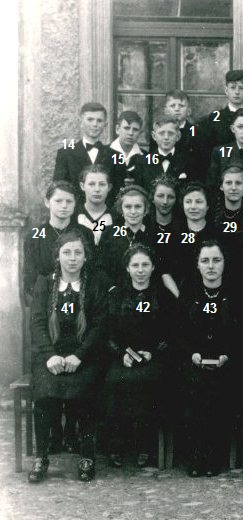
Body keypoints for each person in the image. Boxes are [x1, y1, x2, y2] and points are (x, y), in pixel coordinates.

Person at [28, 231, 109, 483]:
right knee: (43, 395)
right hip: (50, 355)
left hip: (84, 356)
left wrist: (78, 356)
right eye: (67, 253)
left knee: (84, 395)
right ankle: (41, 457)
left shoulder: (95, 283)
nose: (72, 258)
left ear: (85, 257)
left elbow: (99, 326)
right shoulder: (45, 283)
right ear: (57, 256)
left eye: (78, 253)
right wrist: (50, 356)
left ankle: (87, 457)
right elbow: (38, 324)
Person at [103, 244, 178, 469]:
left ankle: (146, 445)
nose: (140, 270)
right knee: (114, 381)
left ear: (153, 267)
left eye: (145, 265)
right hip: (123, 356)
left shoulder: (163, 296)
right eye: (135, 265)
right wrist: (122, 353)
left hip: (154, 356)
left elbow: (171, 333)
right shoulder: (116, 295)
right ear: (127, 268)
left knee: (149, 382)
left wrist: (152, 352)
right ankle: (117, 443)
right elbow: (108, 334)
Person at [178, 240, 241, 477]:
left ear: (224, 263)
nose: (211, 266)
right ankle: (196, 452)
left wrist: (227, 353)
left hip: (227, 360)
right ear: (197, 264)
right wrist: (191, 353)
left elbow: (242, 332)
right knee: (194, 386)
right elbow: (179, 332)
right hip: (193, 358)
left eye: (216, 260)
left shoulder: (236, 292)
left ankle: (215, 453)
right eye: (205, 261)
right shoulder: (189, 291)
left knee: (221, 388)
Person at [24, 182, 95, 303]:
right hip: (46, 300)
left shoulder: (85, 233)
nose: (64, 206)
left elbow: (91, 269)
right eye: (58, 201)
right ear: (47, 202)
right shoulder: (36, 235)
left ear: (75, 204)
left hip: (80, 299)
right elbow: (30, 276)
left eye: (69, 201)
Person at [161, 182, 219, 295]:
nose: (193, 207)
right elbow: (164, 271)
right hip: (178, 296)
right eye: (188, 202)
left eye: (199, 202)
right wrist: (179, 297)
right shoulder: (171, 234)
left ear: (207, 206)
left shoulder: (217, 234)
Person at [98, 185, 153, 288]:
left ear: (145, 209)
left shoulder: (153, 233)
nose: (133, 212)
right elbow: (101, 267)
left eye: (138, 206)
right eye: (128, 207)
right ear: (121, 209)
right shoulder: (109, 232)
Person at [53, 102, 111, 188]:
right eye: (90, 119)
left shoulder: (116, 155)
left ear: (105, 124)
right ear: (81, 122)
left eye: (99, 120)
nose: (95, 124)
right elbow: (59, 188)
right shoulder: (65, 153)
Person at [141, 114, 195, 188]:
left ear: (178, 136)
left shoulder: (188, 161)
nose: (166, 137)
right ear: (154, 136)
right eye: (161, 133)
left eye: (170, 133)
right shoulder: (143, 161)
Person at [205, 69, 243, 149]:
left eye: (241, 88)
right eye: (233, 87)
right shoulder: (215, 117)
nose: (237, 92)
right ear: (226, 90)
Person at [107, 110, 145, 203]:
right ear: (117, 129)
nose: (131, 133)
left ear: (139, 133)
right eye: (127, 128)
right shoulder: (104, 153)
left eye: (135, 129)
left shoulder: (145, 156)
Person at [76, 165, 117, 247]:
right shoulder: (73, 216)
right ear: (82, 186)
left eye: (102, 184)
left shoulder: (117, 218)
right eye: (91, 184)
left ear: (109, 187)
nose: (97, 189)